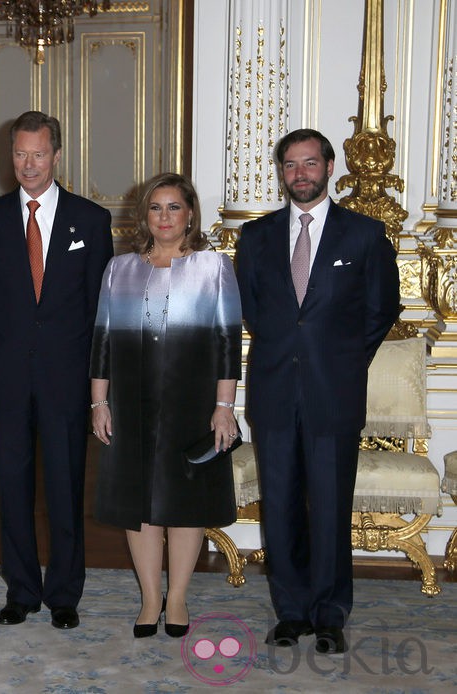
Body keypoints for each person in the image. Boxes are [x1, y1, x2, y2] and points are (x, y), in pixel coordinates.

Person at [235, 129, 399, 654]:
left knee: (329, 504)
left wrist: (344, 358)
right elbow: (254, 310)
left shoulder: (365, 236)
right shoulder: (256, 237)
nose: (300, 174)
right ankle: (291, 612)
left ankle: (329, 614)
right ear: (281, 172)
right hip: (274, 390)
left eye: (310, 163)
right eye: (290, 165)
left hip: (335, 392)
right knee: (279, 503)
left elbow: (381, 310)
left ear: (330, 167)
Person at [0, 111, 113, 630]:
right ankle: (22, 590)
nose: (28, 165)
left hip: (67, 379)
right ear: (8, 156)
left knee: (65, 488)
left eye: (38, 154)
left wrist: (99, 386)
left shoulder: (91, 220)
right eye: (19, 154)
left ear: (57, 155)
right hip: (8, 378)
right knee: (11, 487)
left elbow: (101, 310)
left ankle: (65, 593)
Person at [89, 172, 242, 638]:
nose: (165, 217)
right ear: (144, 216)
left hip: (192, 404)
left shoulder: (214, 267)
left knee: (184, 504)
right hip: (130, 403)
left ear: (190, 213)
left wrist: (224, 406)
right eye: (156, 208)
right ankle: (150, 599)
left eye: (174, 207)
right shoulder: (120, 269)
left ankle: (176, 597)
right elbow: (102, 341)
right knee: (140, 504)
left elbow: (227, 343)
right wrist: (99, 402)